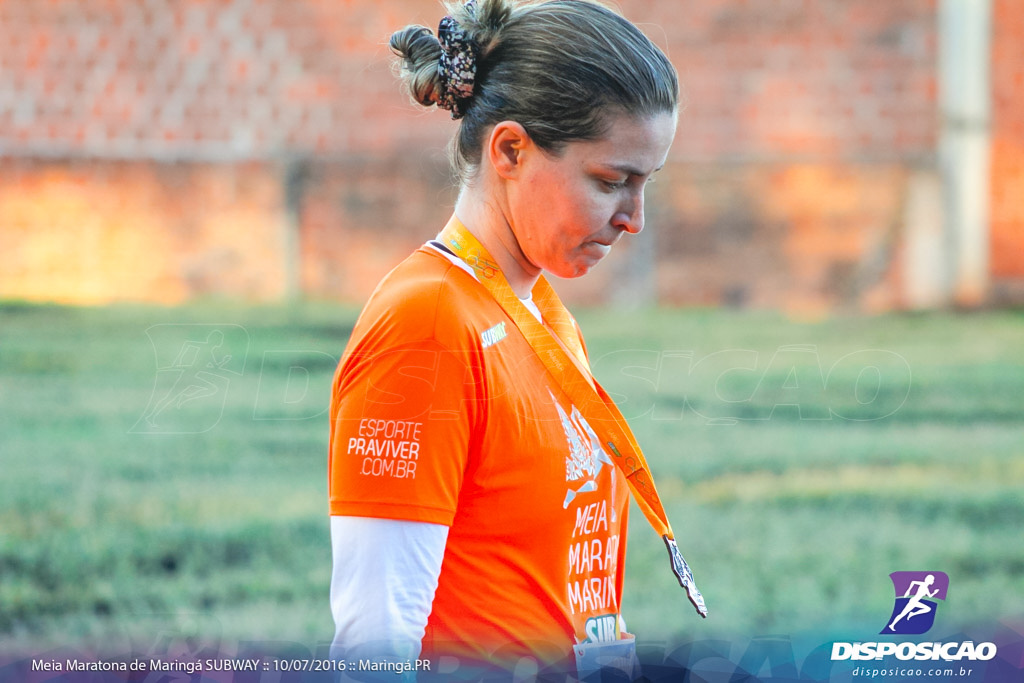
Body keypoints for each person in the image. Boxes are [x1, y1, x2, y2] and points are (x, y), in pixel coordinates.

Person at [328, 0, 696, 677]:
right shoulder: (428, 322)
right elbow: (375, 635)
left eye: (647, 185)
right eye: (613, 181)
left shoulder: (543, 309)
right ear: (510, 150)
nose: (634, 218)